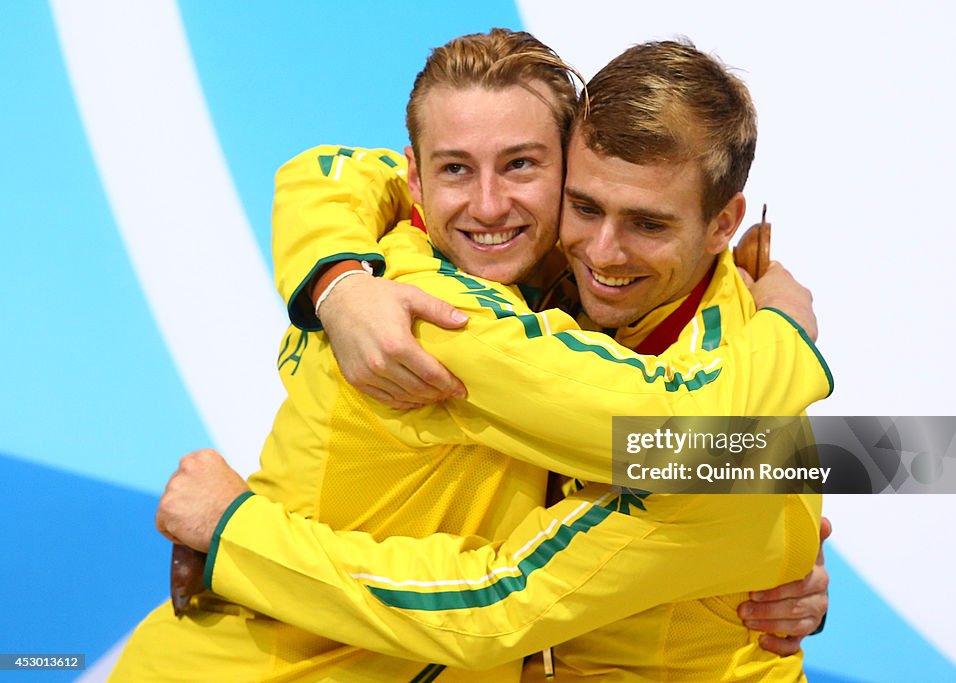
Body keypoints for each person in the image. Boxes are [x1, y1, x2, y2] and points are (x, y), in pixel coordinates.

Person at [114, 30, 831, 682]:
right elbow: (334, 169)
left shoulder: (685, 362)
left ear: (722, 224)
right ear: (419, 180)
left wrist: (782, 531)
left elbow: (727, 446)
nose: (604, 251)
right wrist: (336, 283)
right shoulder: (428, 311)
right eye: (587, 208)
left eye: (520, 164)